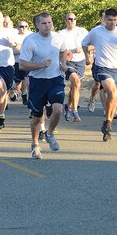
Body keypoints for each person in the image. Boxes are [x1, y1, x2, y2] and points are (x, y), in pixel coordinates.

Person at [18, 12, 68, 159]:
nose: (48, 25)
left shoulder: (58, 38)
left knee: (58, 110)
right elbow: (22, 65)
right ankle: (35, 145)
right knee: (37, 118)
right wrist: (40, 65)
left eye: (50, 22)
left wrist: (63, 63)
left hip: (55, 79)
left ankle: (50, 133)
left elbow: (64, 50)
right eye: (44, 23)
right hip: (37, 82)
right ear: (37, 25)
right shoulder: (30, 41)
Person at [81, 8, 117, 141]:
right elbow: (84, 44)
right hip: (102, 68)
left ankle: (107, 122)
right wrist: (87, 56)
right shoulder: (96, 31)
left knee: (115, 98)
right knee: (112, 92)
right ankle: (108, 122)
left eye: (115, 20)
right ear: (104, 20)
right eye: (110, 20)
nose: (112, 23)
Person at [59, 12, 88, 122]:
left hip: (80, 61)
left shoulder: (83, 31)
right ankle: (75, 111)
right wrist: (69, 52)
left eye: (74, 19)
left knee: (74, 87)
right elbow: (58, 49)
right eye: (70, 19)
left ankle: (68, 106)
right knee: (76, 82)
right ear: (66, 20)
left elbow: (91, 45)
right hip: (68, 62)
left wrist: (85, 52)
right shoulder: (61, 33)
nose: (72, 21)